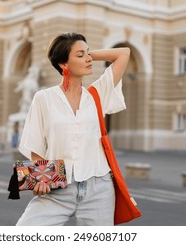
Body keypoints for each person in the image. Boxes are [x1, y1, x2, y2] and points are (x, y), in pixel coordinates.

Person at [16, 32, 130, 226]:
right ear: (63, 64)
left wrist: (84, 52)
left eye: (88, 54)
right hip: (57, 187)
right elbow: (35, 144)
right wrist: (40, 180)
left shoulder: (97, 94)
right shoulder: (44, 98)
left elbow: (123, 53)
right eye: (80, 55)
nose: (88, 59)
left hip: (98, 190)